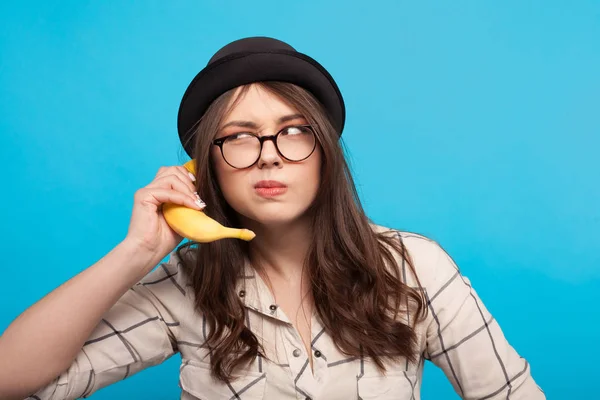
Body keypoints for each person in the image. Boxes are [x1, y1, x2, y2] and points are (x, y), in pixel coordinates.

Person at [0, 37, 545, 400]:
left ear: (325, 150)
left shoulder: (413, 266)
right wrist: (136, 253)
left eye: (293, 130)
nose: (268, 154)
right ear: (206, 165)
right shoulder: (183, 287)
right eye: (238, 136)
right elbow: (13, 380)